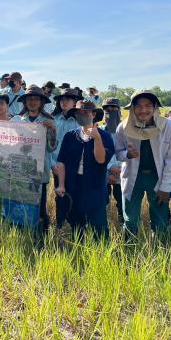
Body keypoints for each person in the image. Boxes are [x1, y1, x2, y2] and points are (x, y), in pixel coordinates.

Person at [115, 90, 171, 237]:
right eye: (138, 106)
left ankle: (160, 249)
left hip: (157, 177)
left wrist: (165, 186)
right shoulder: (123, 127)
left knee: (160, 218)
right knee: (130, 218)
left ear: (155, 107)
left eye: (148, 105)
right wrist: (128, 154)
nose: (143, 110)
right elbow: (119, 153)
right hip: (133, 177)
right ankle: (129, 249)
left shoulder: (169, 127)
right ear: (132, 108)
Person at [55, 101, 115, 238]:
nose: (82, 115)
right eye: (79, 112)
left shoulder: (105, 136)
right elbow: (62, 162)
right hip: (73, 186)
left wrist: (97, 138)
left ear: (94, 114)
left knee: (98, 225)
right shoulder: (70, 136)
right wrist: (62, 185)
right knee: (76, 224)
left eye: (86, 112)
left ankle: (102, 252)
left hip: (95, 186)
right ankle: (78, 249)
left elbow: (101, 160)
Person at [13, 85, 57, 231]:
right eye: (29, 99)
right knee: (20, 204)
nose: (32, 102)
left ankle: (41, 237)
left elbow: (52, 148)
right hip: (20, 171)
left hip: (39, 172)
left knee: (39, 207)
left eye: (36, 99)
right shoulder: (17, 120)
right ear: (25, 101)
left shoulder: (48, 121)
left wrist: (53, 130)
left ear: (41, 102)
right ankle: (21, 232)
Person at [50, 88, 81, 228]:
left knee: (75, 193)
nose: (64, 102)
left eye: (68, 99)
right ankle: (59, 222)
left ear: (75, 102)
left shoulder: (80, 120)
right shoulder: (54, 119)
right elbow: (48, 144)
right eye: (62, 99)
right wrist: (52, 164)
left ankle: (75, 223)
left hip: (75, 166)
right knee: (60, 195)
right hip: (57, 165)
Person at [102, 97, 124, 223]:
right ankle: (104, 226)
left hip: (122, 174)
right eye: (107, 110)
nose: (110, 113)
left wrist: (119, 169)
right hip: (103, 173)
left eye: (113, 110)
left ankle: (123, 226)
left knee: (122, 203)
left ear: (119, 111)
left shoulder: (127, 130)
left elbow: (130, 151)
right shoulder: (98, 130)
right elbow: (97, 152)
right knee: (103, 202)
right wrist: (110, 167)